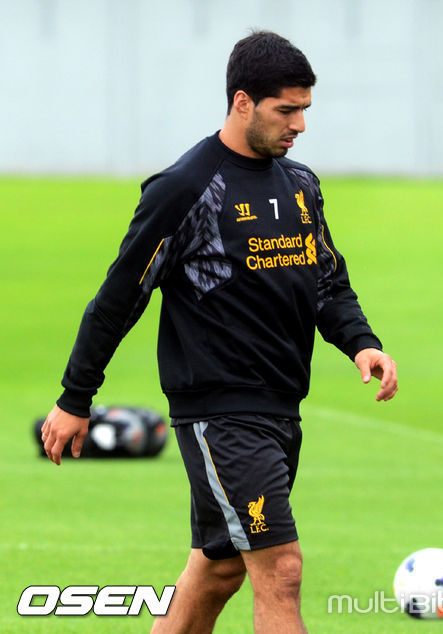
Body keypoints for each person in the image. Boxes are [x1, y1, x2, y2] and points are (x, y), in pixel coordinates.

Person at [41, 30, 398, 633]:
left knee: (218, 569)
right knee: (280, 569)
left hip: (280, 406)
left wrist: (363, 344)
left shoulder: (300, 185)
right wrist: (77, 397)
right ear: (242, 102)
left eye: (305, 109)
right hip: (222, 414)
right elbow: (120, 297)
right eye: (286, 110)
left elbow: (327, 281)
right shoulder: (186, 187)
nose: (300, 125)